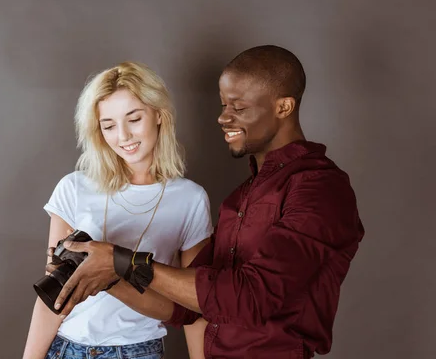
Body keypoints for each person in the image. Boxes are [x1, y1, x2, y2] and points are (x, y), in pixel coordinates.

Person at [50, 45, 365, 358]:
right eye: (223, 104)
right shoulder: (242, 197)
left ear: (283, 107)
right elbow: (183, 307)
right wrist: (103, 275)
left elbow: (253, 297)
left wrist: (123, 260)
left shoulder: (320, 188)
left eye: (237, 107)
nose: (222, 117)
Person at [22, 61, 214, 359]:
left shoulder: (190, 199)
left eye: (134, 119)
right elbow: (55, 294)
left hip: (139, 351)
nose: (122, 136)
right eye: (109, 125)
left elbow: (197, 302)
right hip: (66, 350)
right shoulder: (73, 188)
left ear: (159, 115)